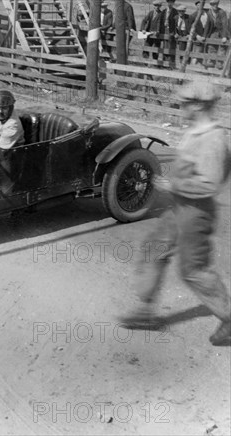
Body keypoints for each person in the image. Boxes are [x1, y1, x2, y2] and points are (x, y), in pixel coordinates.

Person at [120, 81, 231, 347]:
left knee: (193, 270)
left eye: (184, 104)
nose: (181, 108)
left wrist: (175, 185)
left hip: (196, 213)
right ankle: (145, 311)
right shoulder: (196, 132)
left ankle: (229, 317)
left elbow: (211, 183)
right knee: (154, 249)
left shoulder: (213, 139)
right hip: (180, 206)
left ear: (198, 105)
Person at [204, 0, 228, 69]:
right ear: (211, 5)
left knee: (222, 48)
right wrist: (204, 36)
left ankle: (220, 64)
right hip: (213, 32)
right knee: (211, 47)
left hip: (221, 31)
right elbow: (207, 25)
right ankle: (212, 62)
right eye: (213, 4)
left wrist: (224, 36)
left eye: (216, 4)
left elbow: (224, 24)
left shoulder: (222, 12)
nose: (215, 5)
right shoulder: (209, 12)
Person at [189, 0, 213, 65]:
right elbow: (190, 28)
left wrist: (205, 36)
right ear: (196, 6)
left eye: (201, 5)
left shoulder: (207, 15)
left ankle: (200, 68)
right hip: (197, 38)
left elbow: (210, 26)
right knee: (196, 52)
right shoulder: (193, 16)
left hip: (205, 37)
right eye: (198, 5)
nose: (200, 6)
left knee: (203, 53)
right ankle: (193, 67)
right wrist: (197, 36)